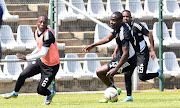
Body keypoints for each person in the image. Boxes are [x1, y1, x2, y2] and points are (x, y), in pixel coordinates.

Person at [2, 15, 60, 105]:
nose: (42, 24)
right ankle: (15, 93)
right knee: (23, 75)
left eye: (44, 22)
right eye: (40, 22)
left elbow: (43, 52)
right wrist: (31, 54)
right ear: (36, 23)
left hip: (51, 67)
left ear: (47, 23)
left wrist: (27, 58)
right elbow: (39, 47)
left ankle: (50, 94)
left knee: (40, 90)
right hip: (41, 62)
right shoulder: (36, 32)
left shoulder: (48, 34)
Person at [82, 11, 137, 103]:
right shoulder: (117, 28)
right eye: (111, 20)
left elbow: (126, 54)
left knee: (100, 72)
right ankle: (113, 92)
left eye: (114, 20)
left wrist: (116, 69)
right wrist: (93, 45)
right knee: (104, 72)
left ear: (120, 21)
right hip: (122, 57)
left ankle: (113, 91)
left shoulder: (124, 32)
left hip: (129, 61)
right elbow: (108, 38)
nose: (111, 22)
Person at [112, 10, 165, 102]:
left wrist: (152, 50)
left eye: (127, 17)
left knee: (142, 77)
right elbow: (121, 41)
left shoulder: (136, 26)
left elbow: (149, 35)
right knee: (127, 73)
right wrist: (115, 51)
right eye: (123, 17)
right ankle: (129, 96)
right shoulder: (122, 28)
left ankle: (158, 74)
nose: (125, 18)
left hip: (141, 54)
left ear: (130, 18)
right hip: (131, 56)